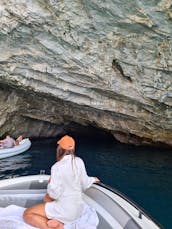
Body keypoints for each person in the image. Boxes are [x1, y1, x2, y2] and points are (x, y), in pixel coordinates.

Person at [23, 135, 100, 229]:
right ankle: (57, 221)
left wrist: (50, 183)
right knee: (46, 198)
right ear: (73, 149)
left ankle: (58, 227)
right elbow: (85, 182)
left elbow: (54, 194)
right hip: (78, 210)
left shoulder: (56, 167)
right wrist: (93, 179)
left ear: (59, 149)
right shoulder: (79, 161)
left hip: (66, 211)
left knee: (27, 214)